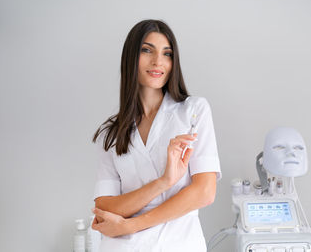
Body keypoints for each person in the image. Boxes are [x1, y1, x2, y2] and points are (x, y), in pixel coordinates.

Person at [90, 19, 221, 252]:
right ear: (131, 57)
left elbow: (204, 192)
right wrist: (164, 182)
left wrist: (132, 225)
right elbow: (105, 207)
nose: (158, 62)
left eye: (167, 54)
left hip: (178, 244)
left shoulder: (193, 112)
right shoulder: (111, 134)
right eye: (147, 50)